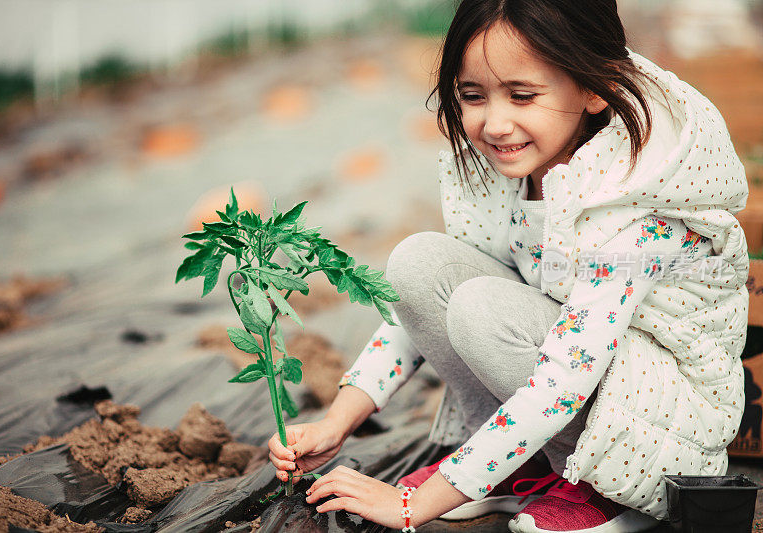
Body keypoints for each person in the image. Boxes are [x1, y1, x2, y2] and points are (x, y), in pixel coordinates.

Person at [268, 1, 749, 531]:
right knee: (420, 262)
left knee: (483, 307)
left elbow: (567, 373)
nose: (494, 123)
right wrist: (338, 423)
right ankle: (514, 465)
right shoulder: (518, 177)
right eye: (473, 96)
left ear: (595, 88)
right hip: (568, 375)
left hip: (650, 431)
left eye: (523, 95)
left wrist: (416, 506)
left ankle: (601, 489)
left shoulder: (637, 212)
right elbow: (417, 308)